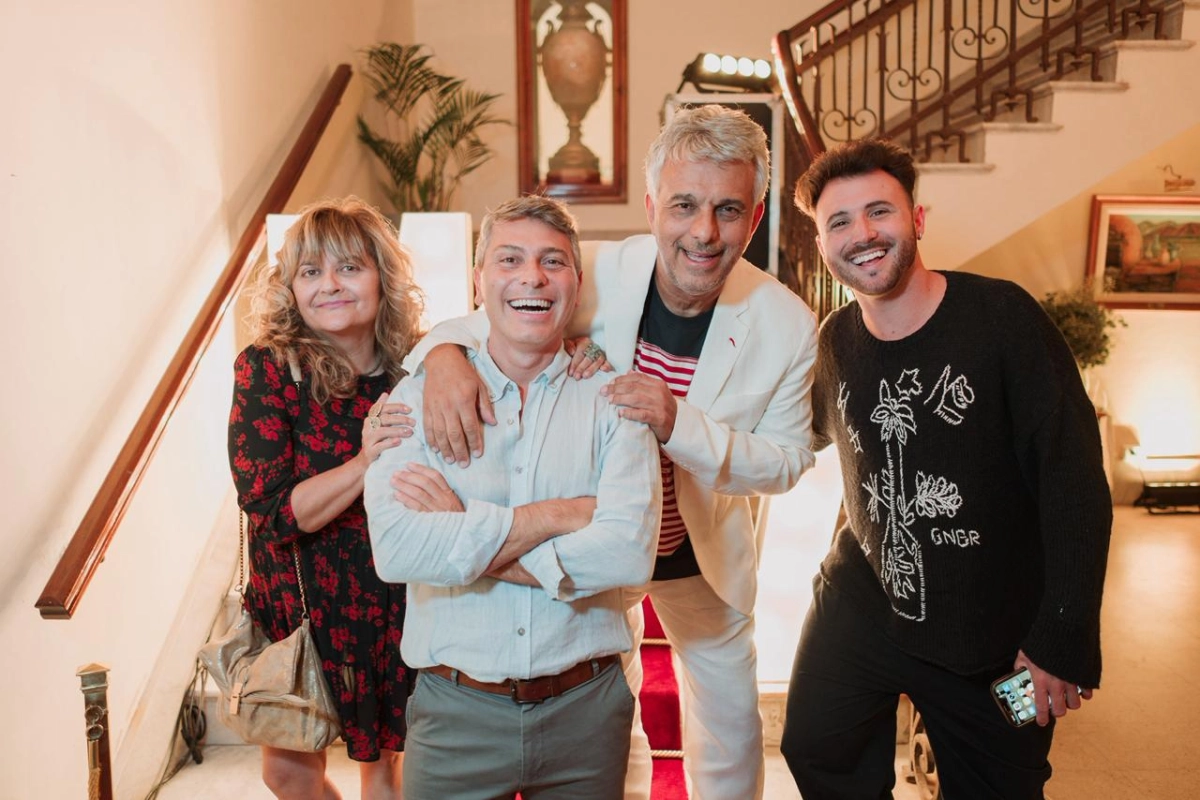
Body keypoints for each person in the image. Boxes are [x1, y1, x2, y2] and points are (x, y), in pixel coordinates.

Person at [402, 105, 819, 800]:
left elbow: (785, 461)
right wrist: (442, 353)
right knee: (607, 718)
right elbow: (491, 312)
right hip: (590, 533)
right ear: (652, 206)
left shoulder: (789, 324)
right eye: (684, 205)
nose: (703, 232)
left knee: (731, 730)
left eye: (727, 209)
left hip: (698, 554)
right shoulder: (593, 268)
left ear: (755, 216)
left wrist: (677, 421)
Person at [780, 137, 1112, 799]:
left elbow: (1074, 486)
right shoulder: (835, 339)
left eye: (880, 211)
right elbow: (799, 432)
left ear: (918, 220)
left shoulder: (1004, 318)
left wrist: (1060, 639)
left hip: (994, 631)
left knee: (1004, 786)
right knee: (816, 746)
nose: (862, 234)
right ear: (822, 245)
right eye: (839, 222)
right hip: (865, 602)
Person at [363, 195, 662, 799]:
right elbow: (397, 551)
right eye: (510, 259)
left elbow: (627, 557)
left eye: (553, 261)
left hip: (586, 712)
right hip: (455, 713)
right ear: (479, 281)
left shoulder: (617, 401)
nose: (532, 276)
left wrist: (462, 529)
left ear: (576, 285)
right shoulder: (412, 402)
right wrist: (557, 516)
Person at [228, 196, 423, 799]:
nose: (330, 285)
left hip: (389, 602)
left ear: (382, 278)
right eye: (311, 271)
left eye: (349, 267)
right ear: (291, 287)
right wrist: (364, 463)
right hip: (299, 608)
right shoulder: (267, 369)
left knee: (383, 772)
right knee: (287, 773)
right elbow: (271, 513)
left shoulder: (416, 369)